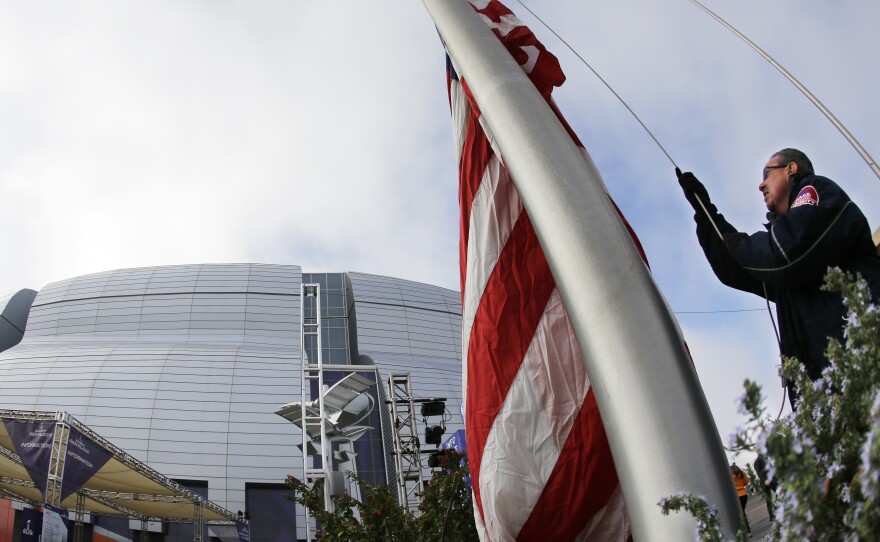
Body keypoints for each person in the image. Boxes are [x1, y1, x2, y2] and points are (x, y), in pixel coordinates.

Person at [676, 149, 880, 403]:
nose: (761, 184)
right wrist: (706, 213)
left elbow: (787, 252)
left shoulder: (815, 191)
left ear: (790, 169)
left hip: (865, 360)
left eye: (767, 174)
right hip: (829, 395)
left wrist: (740, 245)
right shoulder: (780, 242)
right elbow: (736, 268)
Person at [730, 463, 751, 536]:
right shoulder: (741, 473)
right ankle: (748, 531)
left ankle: (744, 531)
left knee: (739, 514)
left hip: (736, 496)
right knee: (742, 512)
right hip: (744, 494)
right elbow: (747, 481)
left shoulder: (730, 475)